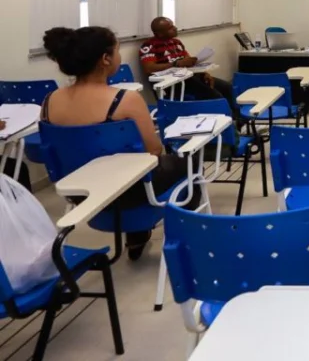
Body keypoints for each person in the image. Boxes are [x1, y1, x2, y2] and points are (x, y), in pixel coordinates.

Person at [42, 26, 199, 260]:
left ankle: (138, 236)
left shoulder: (50, 100)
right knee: (188, 164)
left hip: (77, 190)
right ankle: (186, 241)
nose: (120, 56)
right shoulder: (125, 100)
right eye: (117, 50)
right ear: (105, 59)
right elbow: (153, 151)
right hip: (129, 191)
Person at [140, 17, 237, 114]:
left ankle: (237, 119)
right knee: (216, 97)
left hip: (190, 77)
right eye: (170, 28)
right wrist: (175, 64)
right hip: (174, 83)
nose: (175, 28)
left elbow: (190, 61)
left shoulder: (176, 43)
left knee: (227, 87)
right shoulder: (149, 46)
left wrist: (204, 73)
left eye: (173, 25)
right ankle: (227, 120)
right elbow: (148, 68)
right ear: (160, 33)